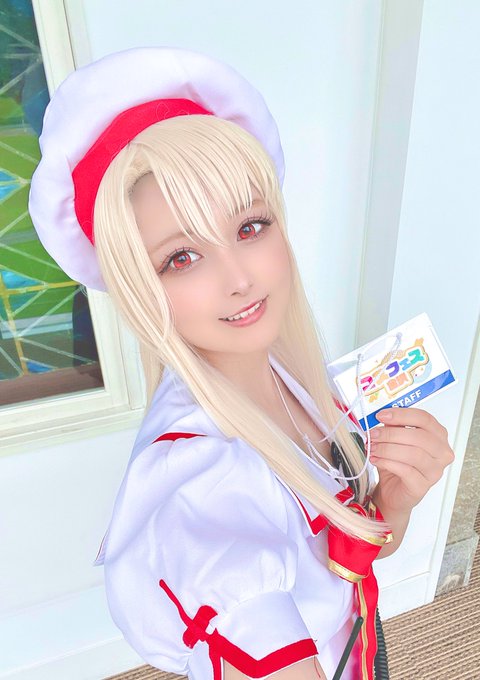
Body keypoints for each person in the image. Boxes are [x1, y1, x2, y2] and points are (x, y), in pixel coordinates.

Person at [28, 47, 454, 680]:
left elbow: (348, 560)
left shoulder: (293, 379)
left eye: (250, 227)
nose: (239, 278)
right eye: (181, 258)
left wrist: (394, 502)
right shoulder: (200, 483)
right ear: (139, 289)